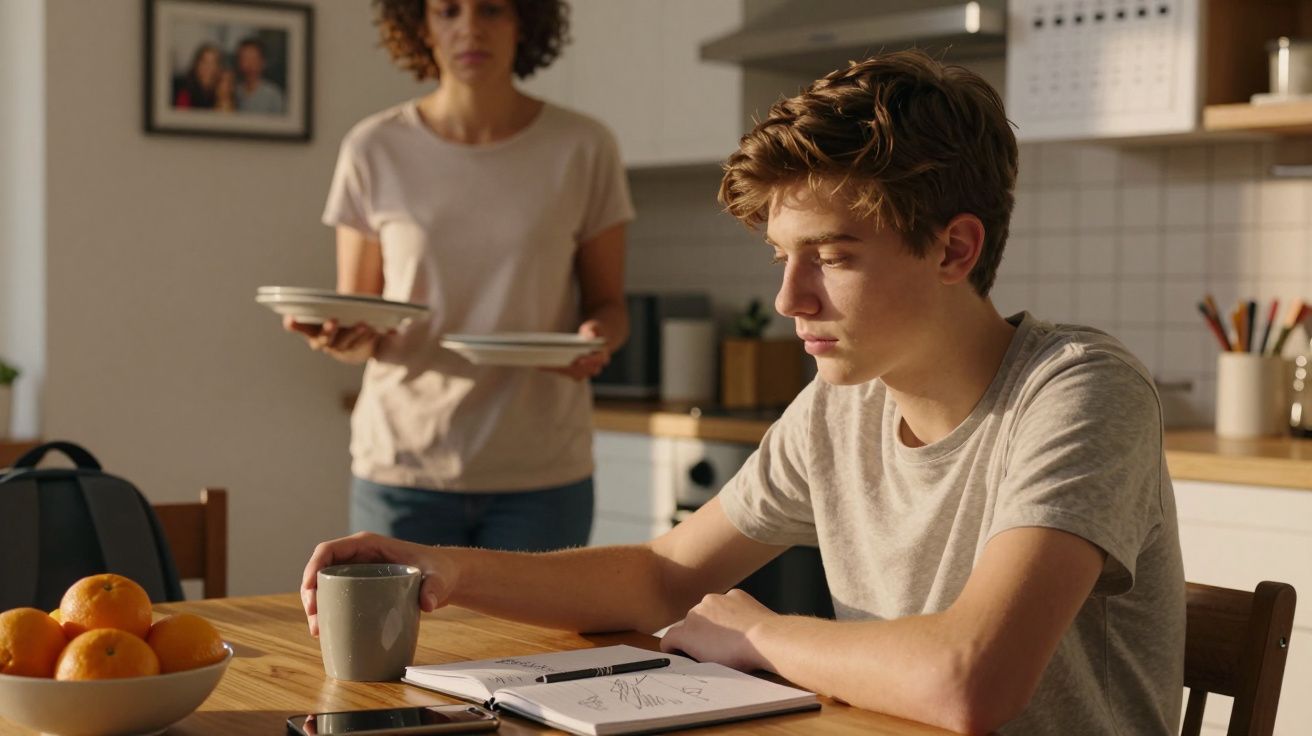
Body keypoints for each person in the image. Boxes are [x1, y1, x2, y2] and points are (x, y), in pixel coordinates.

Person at [300, 49, 1185, 735]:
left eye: (832, 258)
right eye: (782, 258)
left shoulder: (1079, 393)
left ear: (955, 250)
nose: (788, 300)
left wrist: (758, 635)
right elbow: (662, 576)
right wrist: (443, 568)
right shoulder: (843, 405)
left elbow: (970, 679)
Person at [286, 0, 632, 552]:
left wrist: (597, 340)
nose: (470, 27)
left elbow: (609, 305)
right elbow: (361, 315)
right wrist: (342, 339)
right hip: (403, 469)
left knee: (545, 643)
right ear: (421, 27)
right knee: (399, 641)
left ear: (524, 23)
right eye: (448, 10)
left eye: (492, 9)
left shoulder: (583, 147)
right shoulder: (373, 148)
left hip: (541, 473)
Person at [233, 37, 286, 115]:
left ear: (263, 62)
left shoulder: (274, 95)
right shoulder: (233, 91)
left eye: (253, 59)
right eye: (245, 59)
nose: (249, 64)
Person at [173, 43, 229, 109]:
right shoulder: (183, 88)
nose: (208, 67)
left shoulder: (220, 91)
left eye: (212, 63)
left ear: (218, 67)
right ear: (197, 64)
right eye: (204, 62)